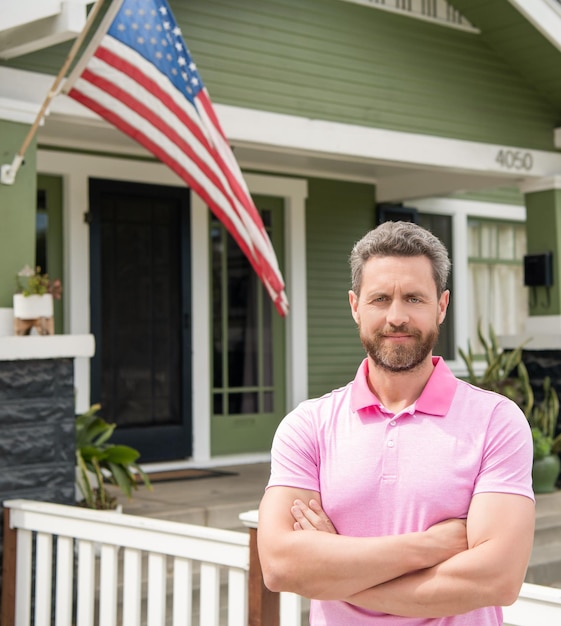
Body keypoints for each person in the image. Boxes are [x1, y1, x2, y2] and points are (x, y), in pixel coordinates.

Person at [257, 221, 535, 625]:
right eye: (380, 298)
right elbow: (281, 566)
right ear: (355, 306)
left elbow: (497, 580)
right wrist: (430, 546)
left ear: (441, 306)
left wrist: (336, 573)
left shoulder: (495, 422)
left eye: (414, 298)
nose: (397, 316)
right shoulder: (308, 426)